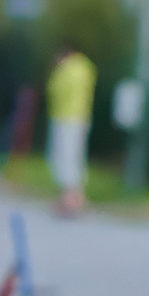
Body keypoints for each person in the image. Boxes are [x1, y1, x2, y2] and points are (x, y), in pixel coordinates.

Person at [44, 41, 96, 216]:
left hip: (66, 116)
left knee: (66, 156)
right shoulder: (86, 68)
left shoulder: (68, 71)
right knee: (75, 156)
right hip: (80, 116)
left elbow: (57, 90)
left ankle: (70, 199)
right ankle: (76, 196)